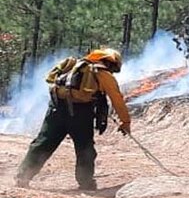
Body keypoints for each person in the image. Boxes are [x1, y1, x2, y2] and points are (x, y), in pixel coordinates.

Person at [15, 48, 131, 190]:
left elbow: (50, 80)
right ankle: (86, 183)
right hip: (80, 113)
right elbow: (117, 99)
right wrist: (126, 121)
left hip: (56, 109)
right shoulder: (102, 73)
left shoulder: (72, 65)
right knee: (85, 148)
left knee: (43, 142)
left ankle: (23, 176)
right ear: (110, 62)